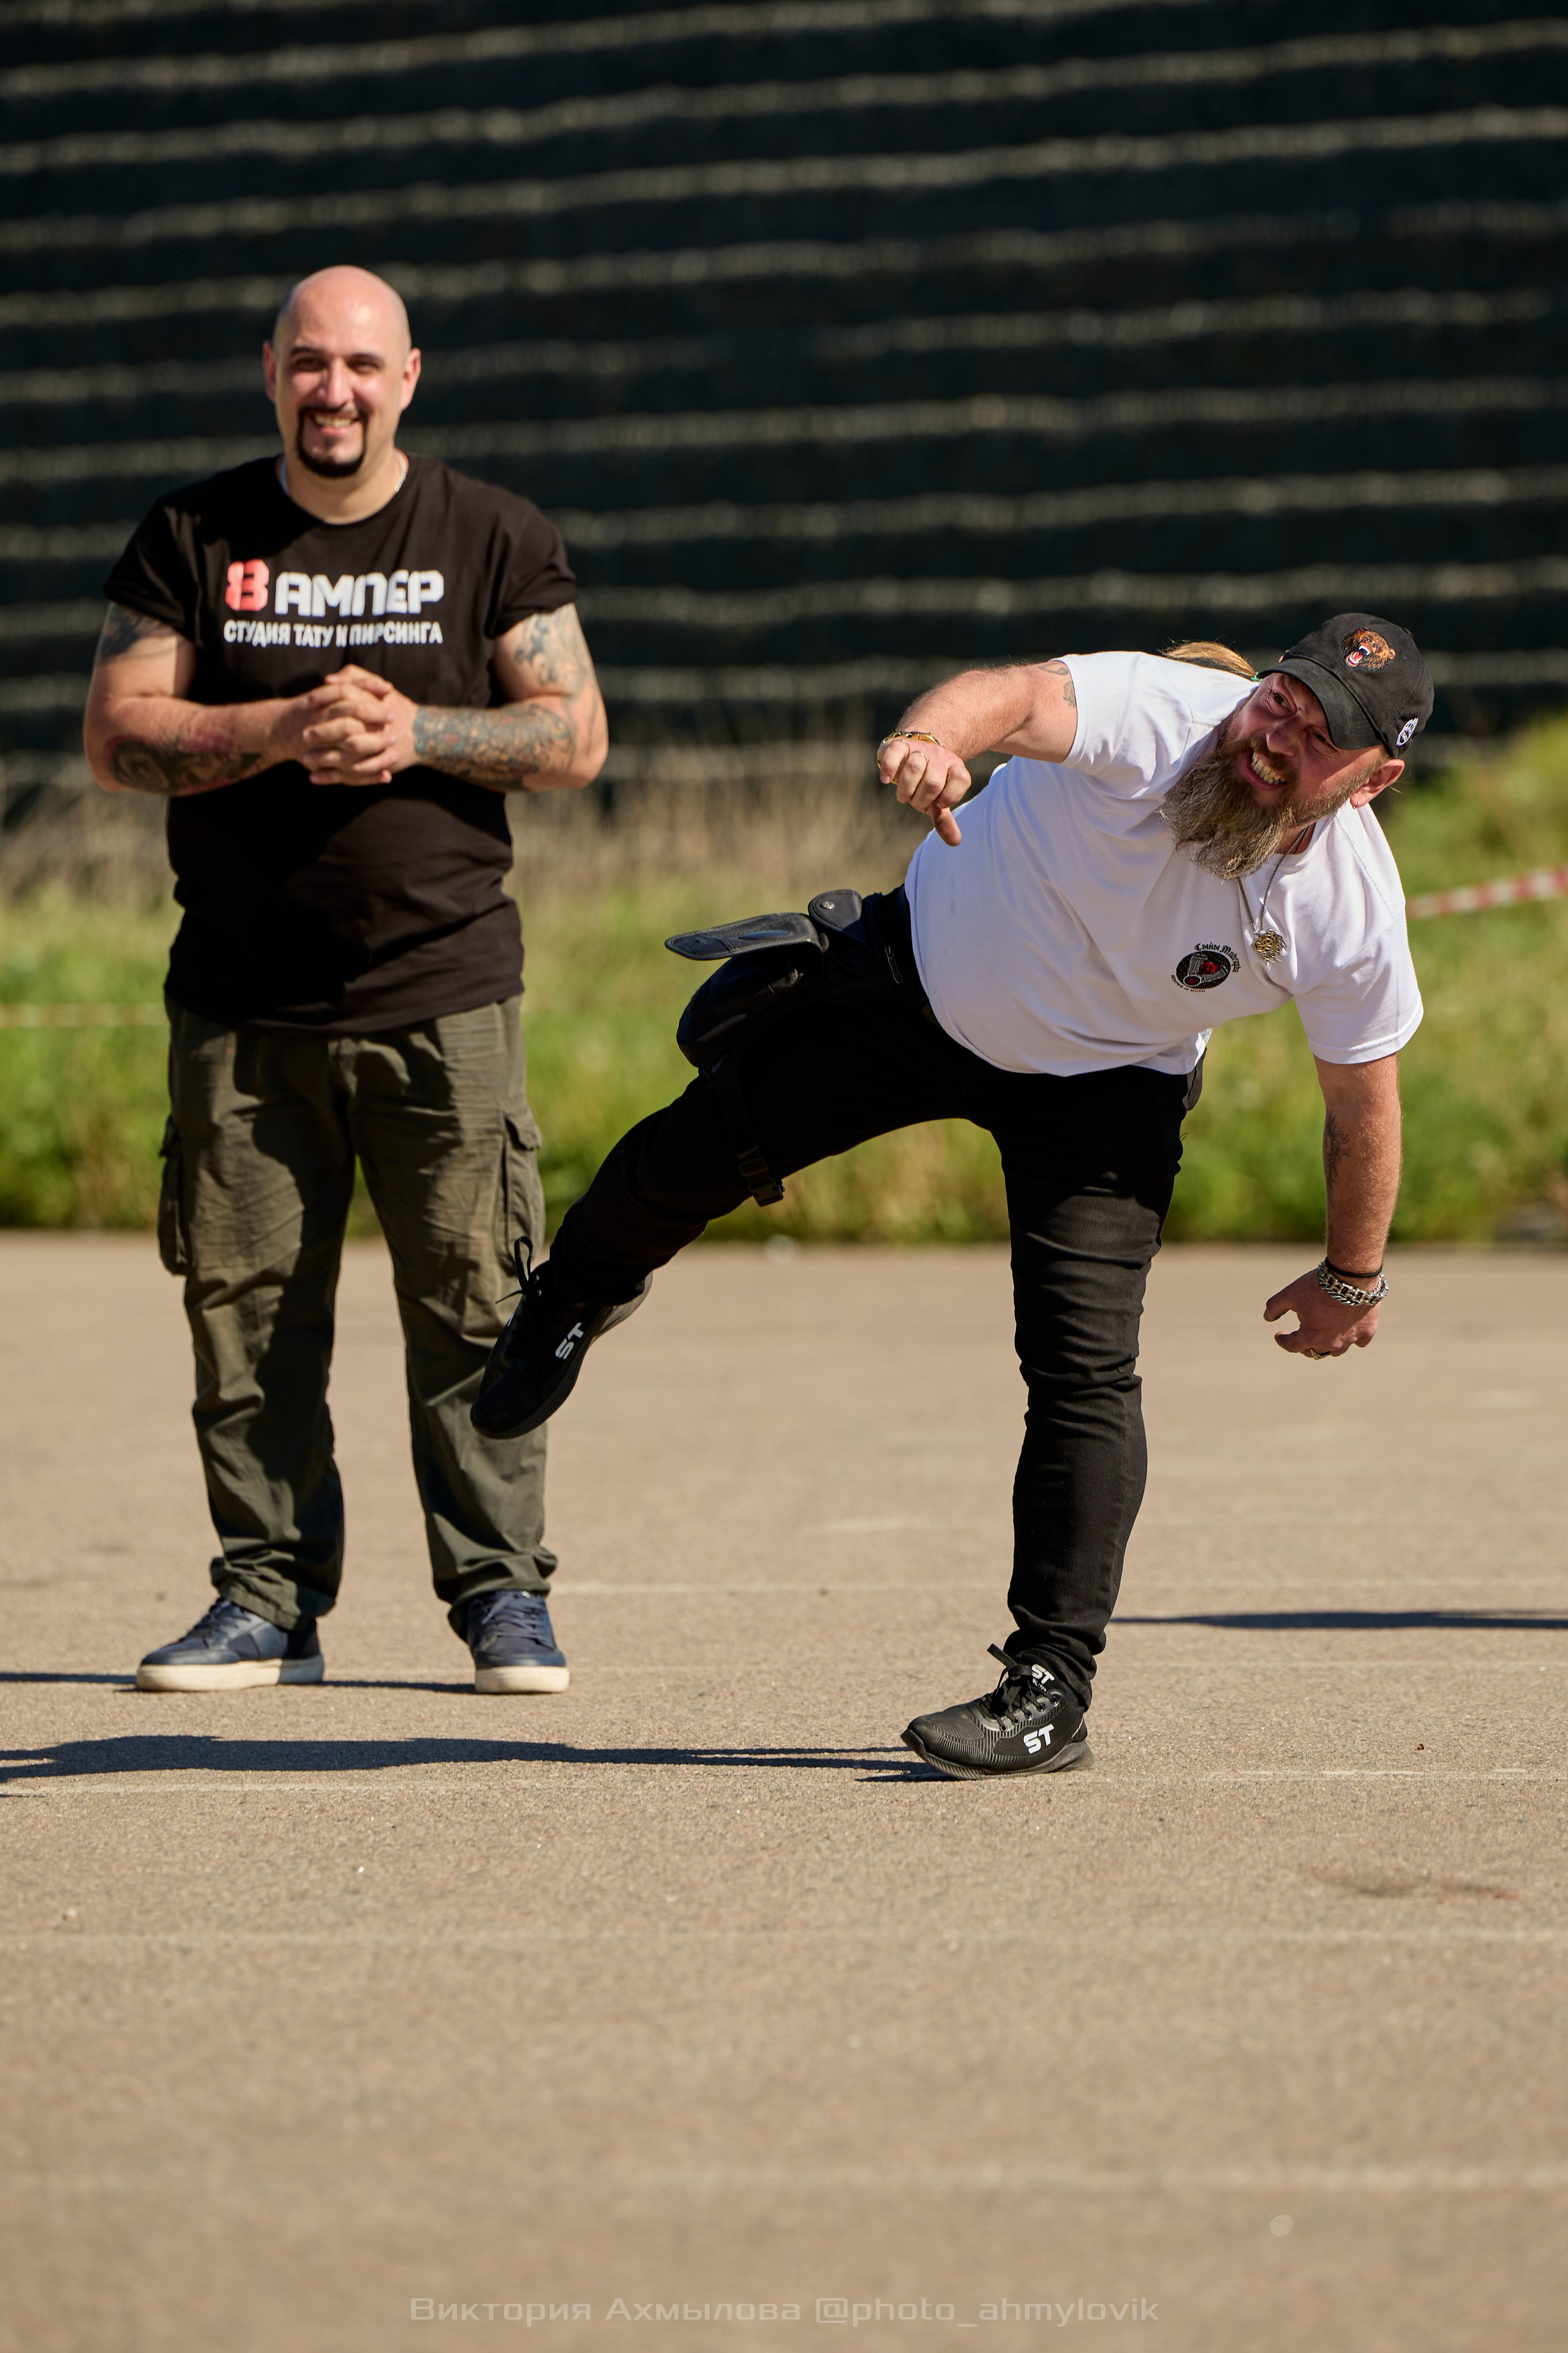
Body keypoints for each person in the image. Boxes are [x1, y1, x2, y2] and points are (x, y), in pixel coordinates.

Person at [467, 615, 1432, 1775]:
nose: (1282, 734)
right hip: (920, 987)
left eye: (1325, 736)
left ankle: (1048, 1689)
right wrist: (934, 738)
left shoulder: (1348, 902)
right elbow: (1013, 695)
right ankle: (570, 1297)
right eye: (1285, 696)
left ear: (1376, 779)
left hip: (1108, 1088)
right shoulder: (1157, 715)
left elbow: (1360, 1102)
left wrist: (1352, 1273)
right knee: (690, 1152)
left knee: (1083, 1370)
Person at [83, 265, 609, 1698]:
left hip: (444, 997)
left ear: (409, 377)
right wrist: (280, 724)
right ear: (271, 371)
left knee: (477, 1308)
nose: (335, 390)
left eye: (362, 366)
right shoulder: (192, 533)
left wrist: (415, 731)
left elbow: (570, 737)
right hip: (240, 1009)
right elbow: (116, 736)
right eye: (310, 363)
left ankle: (503, 1598)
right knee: (246, 1319)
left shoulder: (488, 532)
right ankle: (265, 1602)